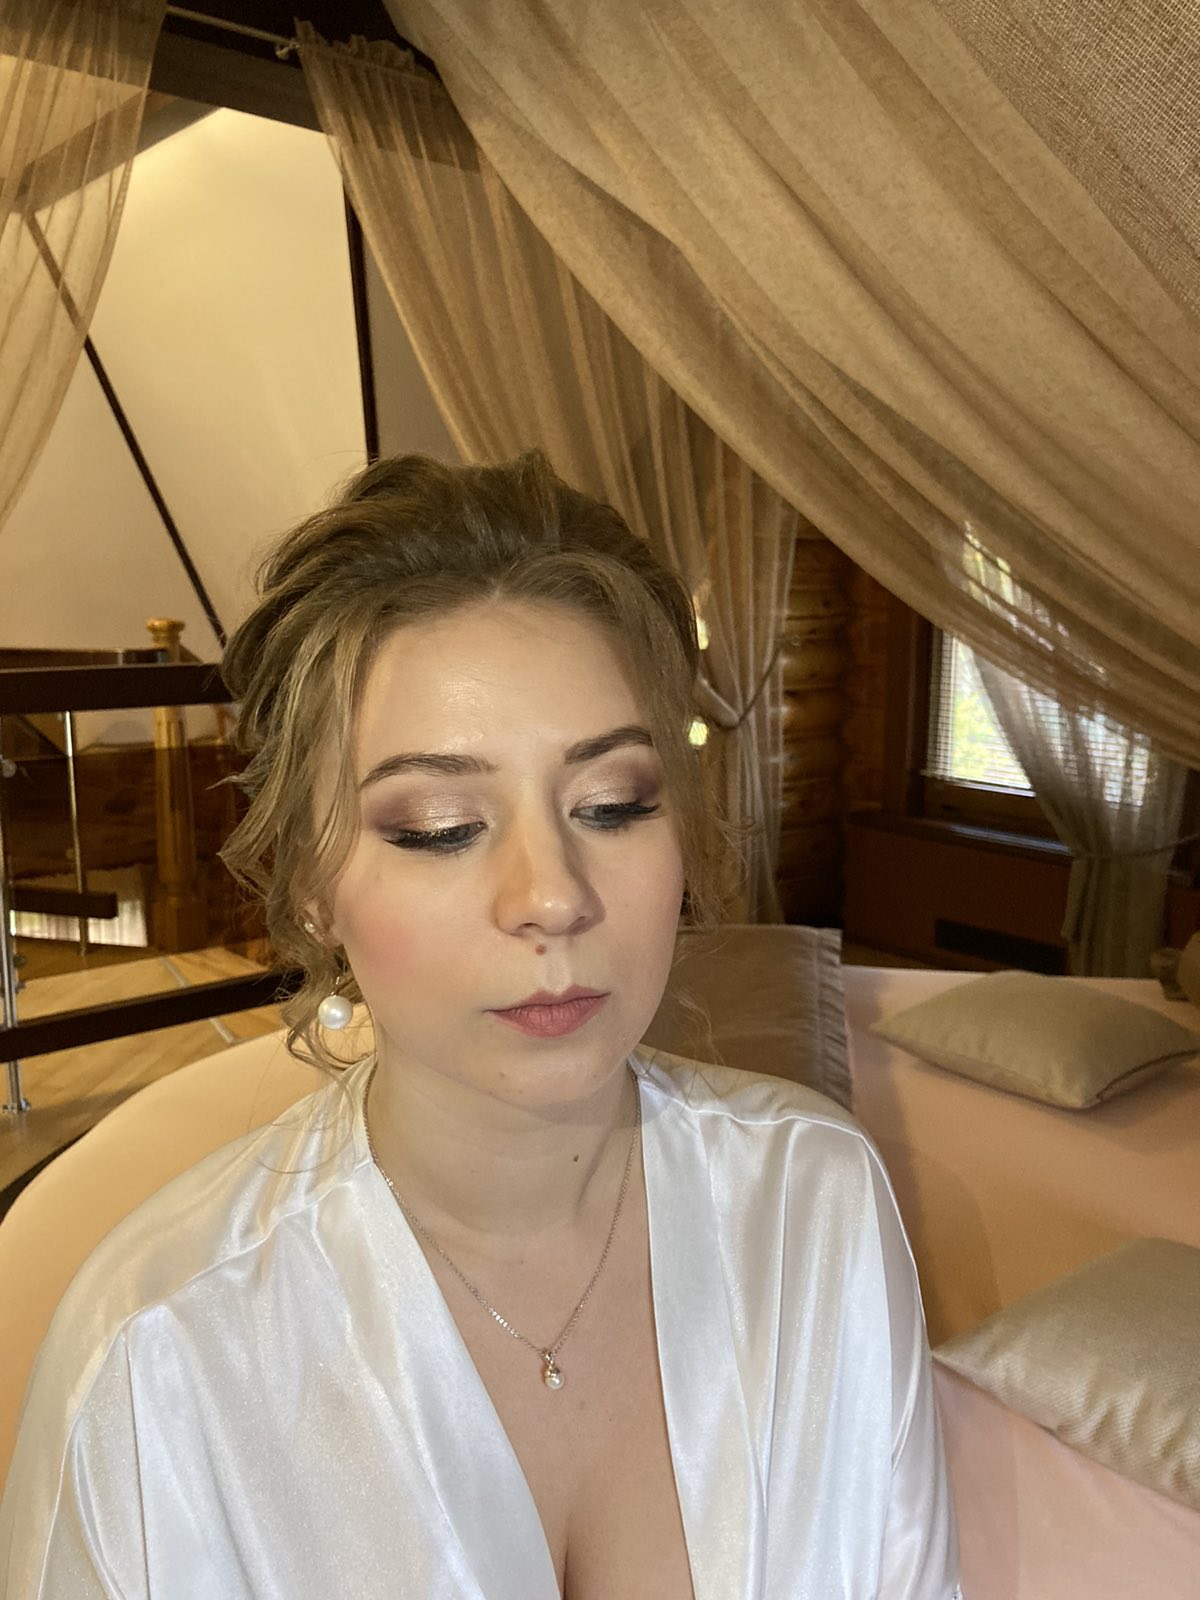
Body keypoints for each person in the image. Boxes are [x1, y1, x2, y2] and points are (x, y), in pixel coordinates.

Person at [0, 452, 961, 1598]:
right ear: (309, 883)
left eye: (612, 804)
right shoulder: (158, 1356)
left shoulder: (817, 1204)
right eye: (440, 825)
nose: (553, 896)